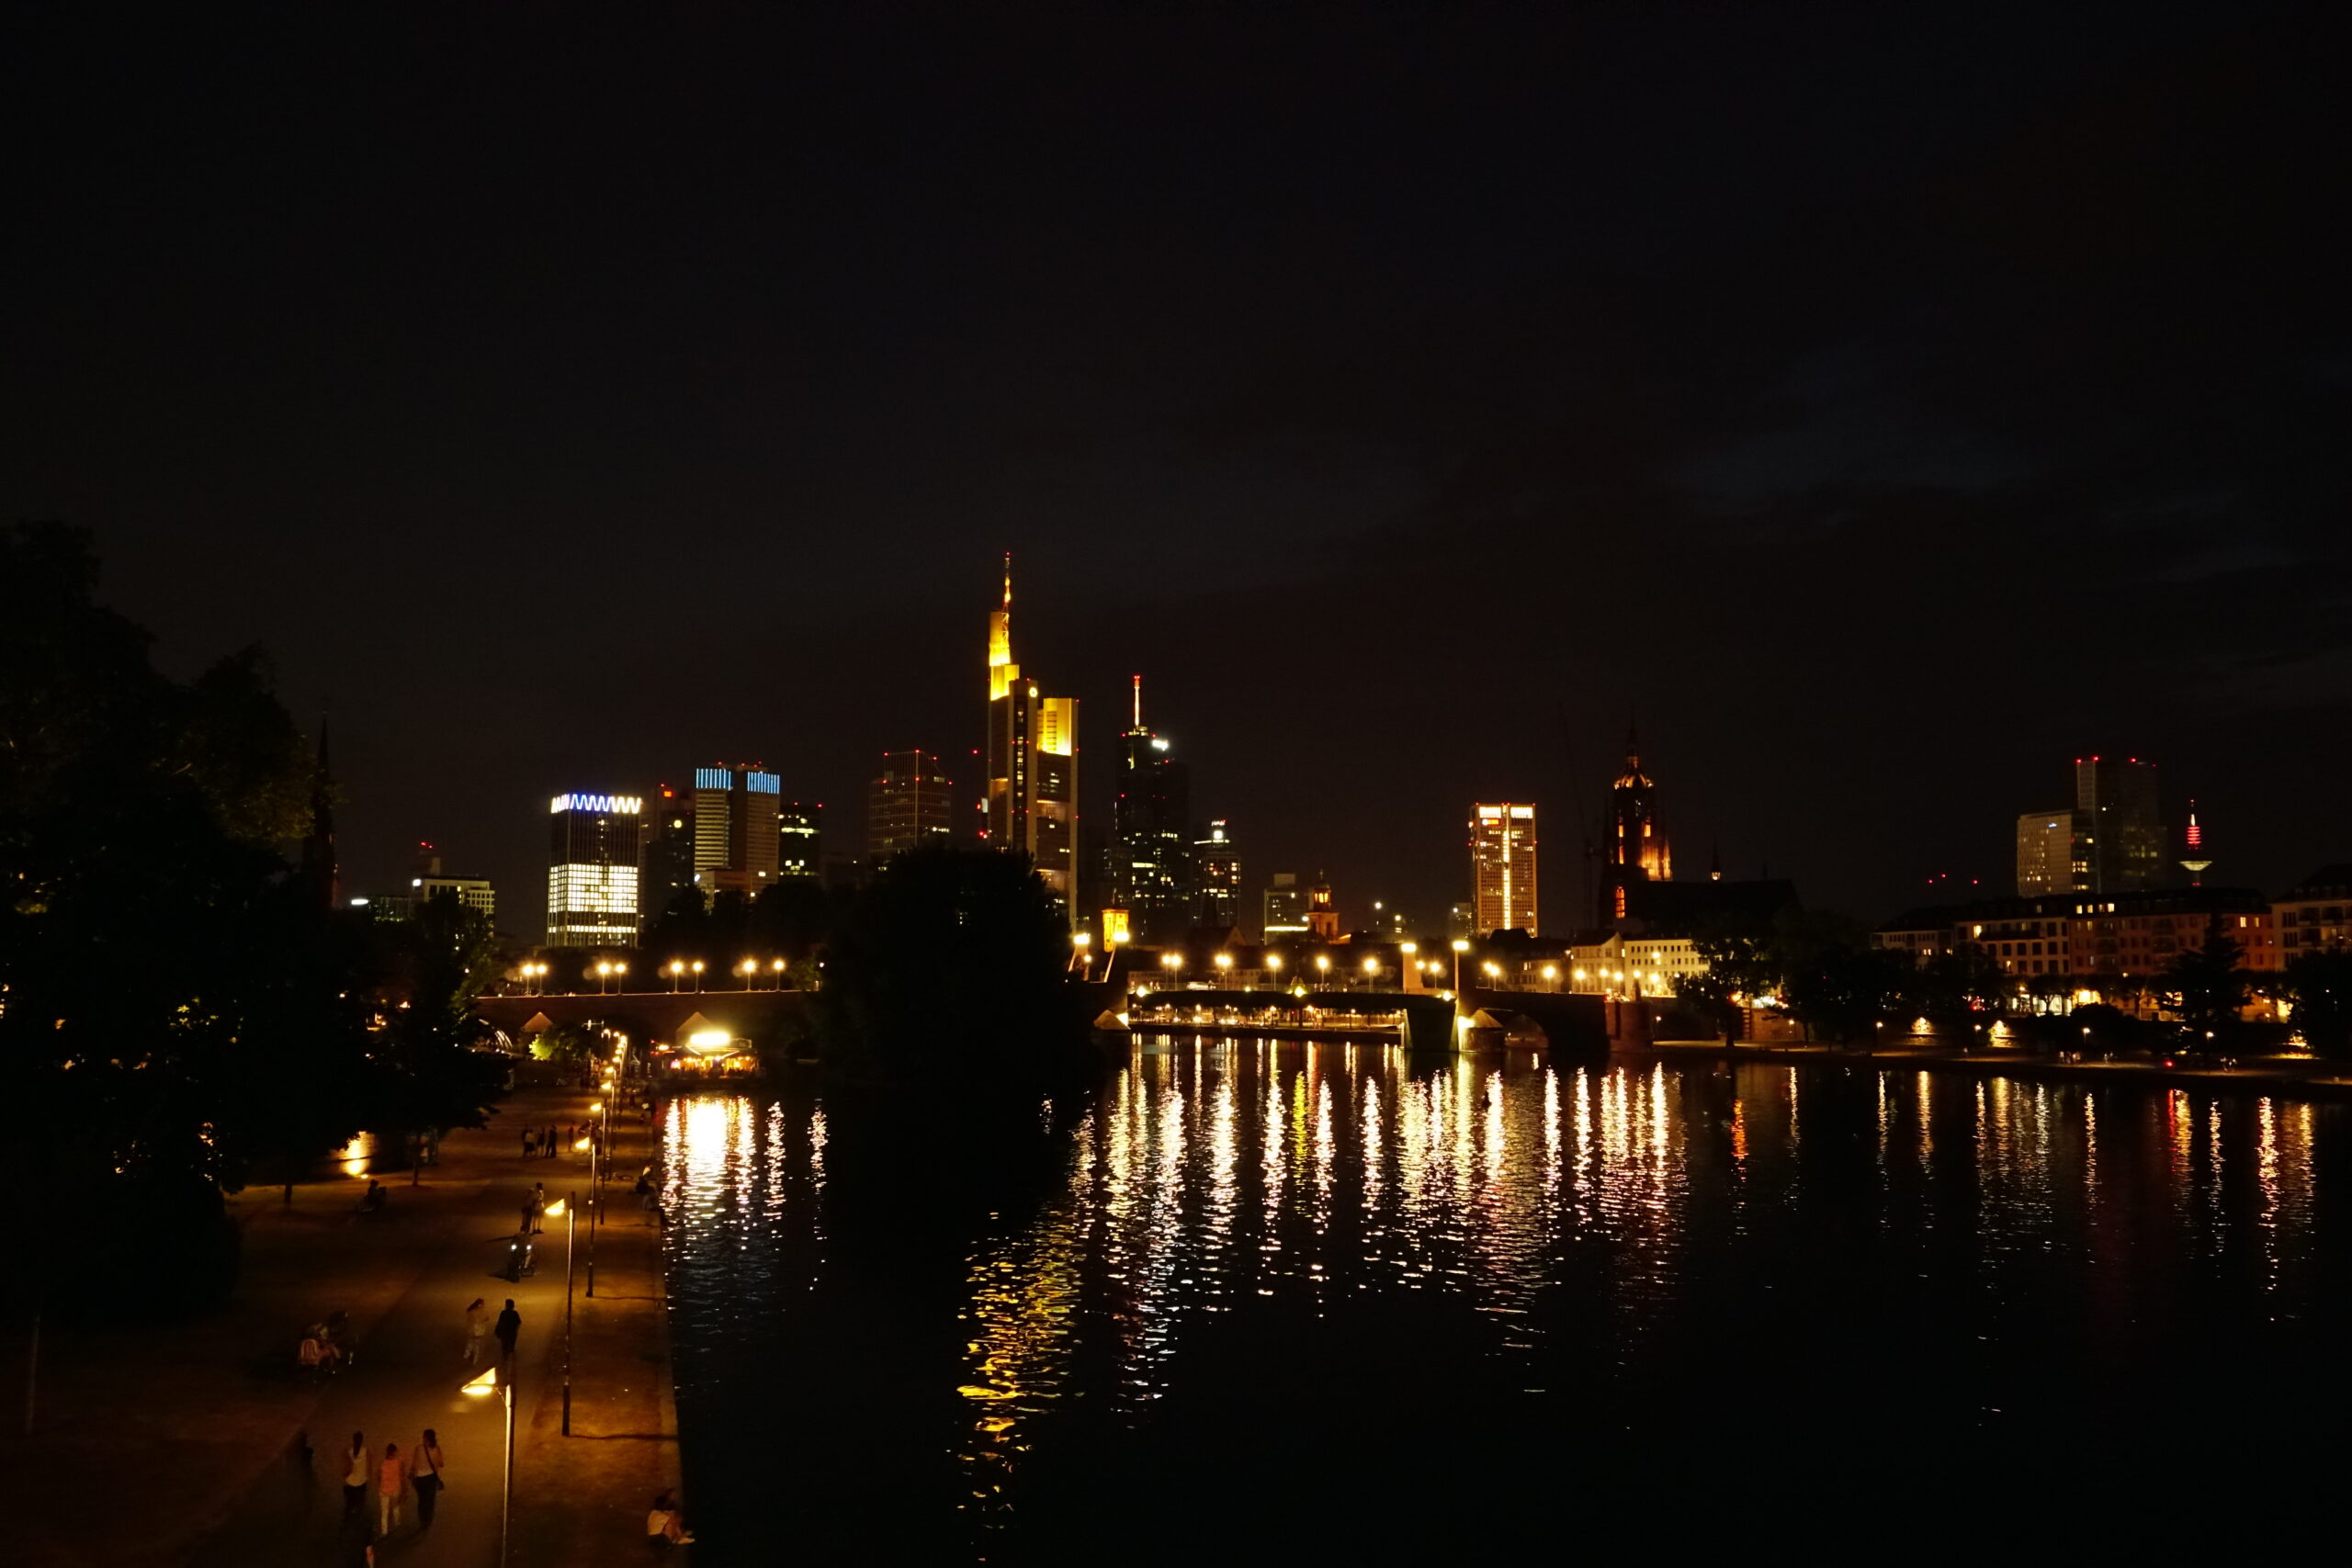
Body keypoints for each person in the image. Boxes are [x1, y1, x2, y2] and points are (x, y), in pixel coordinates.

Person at [410, 1429, 446, 1529]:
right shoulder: (436, 1449)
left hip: (420, 1478)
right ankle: (428, 1519)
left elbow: (414, 1464)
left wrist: (412, 1476)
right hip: (431, 1478)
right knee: (430, 1500)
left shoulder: (418, 1448)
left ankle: (422, 1519)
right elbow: (441, 1463)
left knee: (421, 1499)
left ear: (425, 1438)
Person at [377, 1441, 405, 1536]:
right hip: (395, 1489)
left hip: (384, 1490)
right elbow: (402, 1476)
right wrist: (404, 1489)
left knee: (384, 1512)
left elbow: (378, 1476)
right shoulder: (399, 1462)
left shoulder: (382, 1463)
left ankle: (384, 1531)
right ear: (395, 1452)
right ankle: (397, 1524)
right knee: (395, 1508)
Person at [341, 1433, 368, 1519]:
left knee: (351, 1506)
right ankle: (355, 1521)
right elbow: (368, 1466)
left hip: (353, 1482)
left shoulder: (350, 1451)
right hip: (359, 1482)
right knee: (358, 1506)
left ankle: (350, 1521)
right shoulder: (364, 1451)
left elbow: (345, 1468)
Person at [494, 1299, 521, 1363]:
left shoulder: (503, 1313)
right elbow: (518, 1322)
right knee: (511, 1346)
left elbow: (500, 1322)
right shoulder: (515, 1313)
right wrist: (515, 1329)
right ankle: (511, 1359)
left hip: (504, 1332)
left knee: (504, 1346)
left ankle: (505, 1359)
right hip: (512, 1333)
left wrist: (498, 1330)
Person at [464, 1298, 489, 1364]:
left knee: (471, 1343)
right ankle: (475, 1358)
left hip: (472, 1330)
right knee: (476, 1344)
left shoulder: (471, 1311)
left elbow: (469, 1320)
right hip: (478, 1330)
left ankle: (467, 1355)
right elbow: (485, 1318)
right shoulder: (479, 1312)